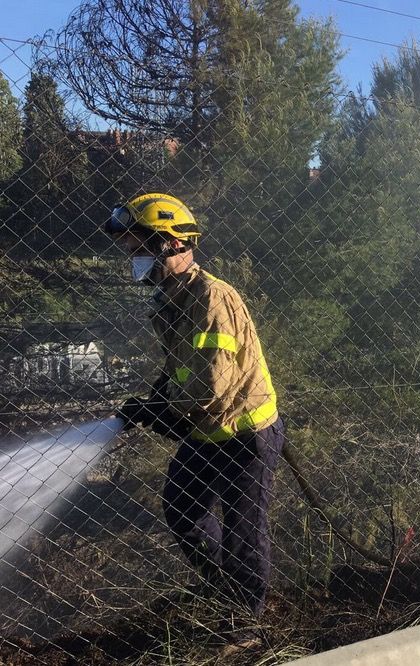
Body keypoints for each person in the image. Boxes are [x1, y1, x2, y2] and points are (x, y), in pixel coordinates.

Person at [106, 193, 283, 647]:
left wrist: (164, 412)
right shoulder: (172, 299)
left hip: (245, 434)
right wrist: (155, 398)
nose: (133, 259)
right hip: (207, 430)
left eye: (138, 248)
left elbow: (211, 388)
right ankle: (226, 589)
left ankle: (245, 621)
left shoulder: (211, 299)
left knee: (244, 529)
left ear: (169, 245)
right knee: (183, 509)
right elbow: (183, 368)